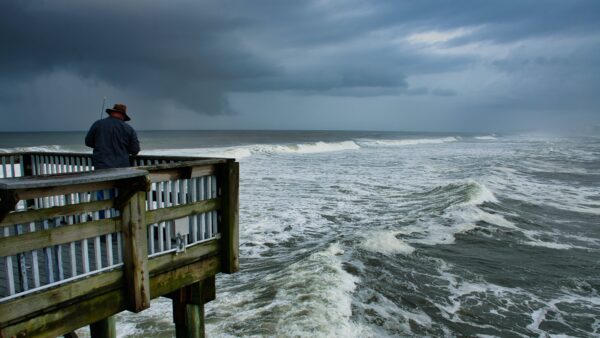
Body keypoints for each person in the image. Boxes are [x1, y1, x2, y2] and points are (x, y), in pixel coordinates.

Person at [85, 103, 140, 169]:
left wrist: (101, 144)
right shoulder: (129, 129)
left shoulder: (98, 124)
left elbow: (88, 142)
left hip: (101, 167)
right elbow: (135, 150)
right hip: (122, 168)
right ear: (123, 115)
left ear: (112, 112)